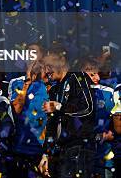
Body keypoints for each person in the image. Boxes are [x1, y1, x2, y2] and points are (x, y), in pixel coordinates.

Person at [38, 50, 96, 178]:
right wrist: (46, 154)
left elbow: (88, 108)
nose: (46, 71)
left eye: (49, 66)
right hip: (60, 151)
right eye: (44, 67)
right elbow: (52, 123)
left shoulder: (77, 77)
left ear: (62, 62)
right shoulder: (55, 89)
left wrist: (59, 106)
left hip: (79, 147)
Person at [7, 60, 48, 178]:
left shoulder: (51, 84)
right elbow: (16, 109)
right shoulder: (16, 82)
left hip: (42, 149)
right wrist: (27, 83)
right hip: (20, 148)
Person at [82, 58, 115, 178]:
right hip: (80, 152)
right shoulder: (69, 93)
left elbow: (116, 120)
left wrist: (110, 134)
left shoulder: (109, 93)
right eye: (92, 74)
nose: (98, 78)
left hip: (104, 152)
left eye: (98, 73)